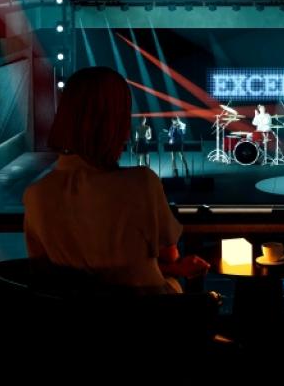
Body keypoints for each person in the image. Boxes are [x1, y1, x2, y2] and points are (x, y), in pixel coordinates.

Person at [24, 67, 209, 293]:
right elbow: (170, 255)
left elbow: (46, 272)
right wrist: (175, 268)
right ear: (116, 123)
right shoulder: (142, 184)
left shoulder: (36, 195)